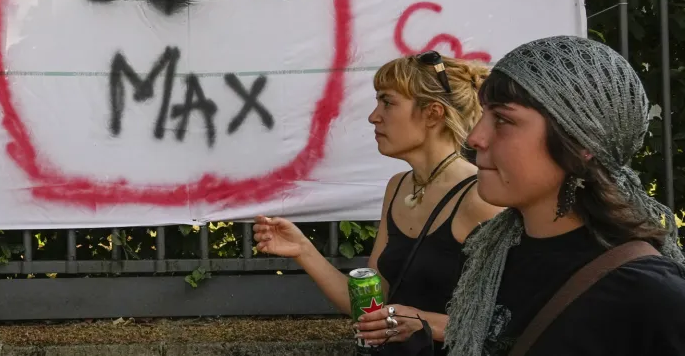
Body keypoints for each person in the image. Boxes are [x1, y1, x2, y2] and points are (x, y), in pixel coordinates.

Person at [444, 35, 685, 356]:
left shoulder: (649, 294)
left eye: (503, 119)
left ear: (583, 142)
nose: (475, 137)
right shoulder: (490, 253)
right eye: (484, 114)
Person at [254, 51, 502, 354]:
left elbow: (505, 325)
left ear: (433, 114)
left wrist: (420, 321)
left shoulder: (479, 197)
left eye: (388, 102)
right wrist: (303, 250)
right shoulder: (397, 187)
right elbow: (374, 304)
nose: (374, 115)